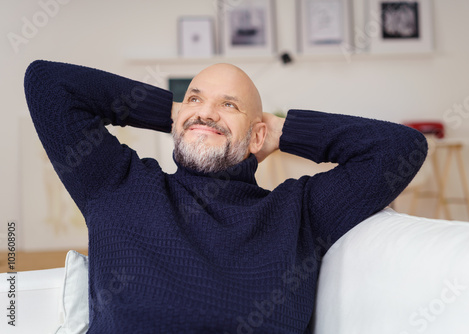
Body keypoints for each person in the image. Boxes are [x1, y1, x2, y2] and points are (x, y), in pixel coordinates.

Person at [24, 60, 427, 334]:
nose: (206, 111)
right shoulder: (118, 184)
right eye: (195, 98)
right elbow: (48, 83)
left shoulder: (299, 213)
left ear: (258, 135)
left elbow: (399, 148)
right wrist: (179, 112)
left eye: (229, 104)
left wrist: (282, 131)